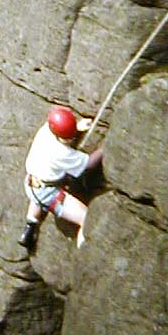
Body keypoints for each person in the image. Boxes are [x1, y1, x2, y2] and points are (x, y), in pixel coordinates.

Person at [19, 105, 104, 251]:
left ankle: (29, 228)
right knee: (85, 218)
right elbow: (88, 164)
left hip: (31, 182)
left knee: (36, 199)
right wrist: (105, 149)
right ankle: (84, 253)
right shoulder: (61, 153)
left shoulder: (46, 129)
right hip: (48, 193)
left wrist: (76, 127)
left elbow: (61, 131)